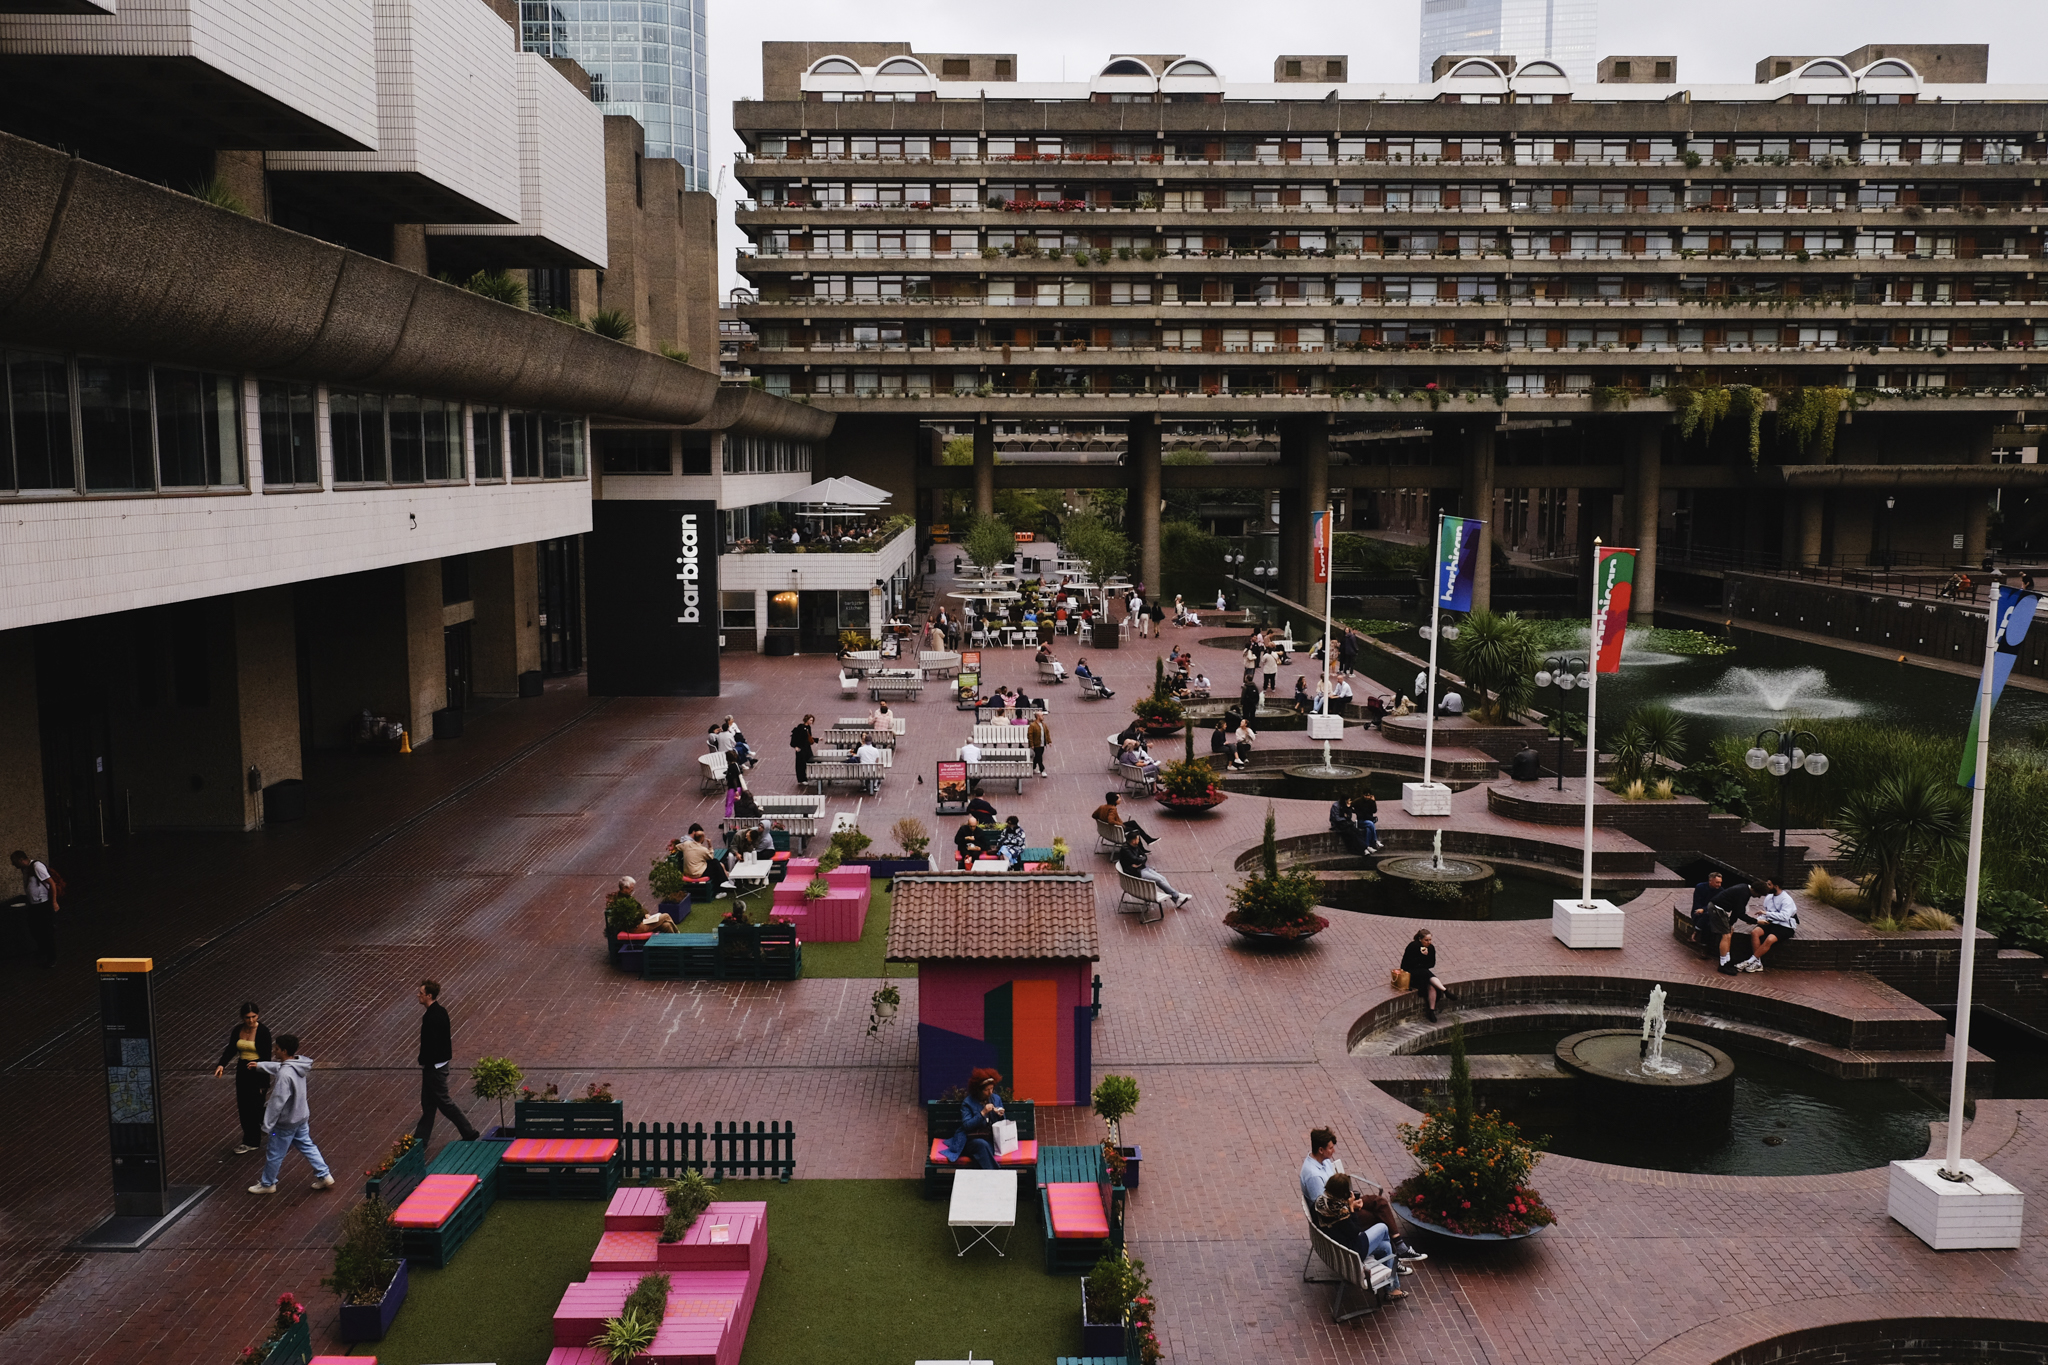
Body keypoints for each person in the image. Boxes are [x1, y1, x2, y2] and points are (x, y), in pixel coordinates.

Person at [1301, 1127, 1426, 1264]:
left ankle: (1399, 1246)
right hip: (1339, 1215)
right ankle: (1392, 1259)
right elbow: (1325, 1208)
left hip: (1344, 1201)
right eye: (1330, 1148)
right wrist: (1350, 1206)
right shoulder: (1314, 1176)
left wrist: (1352, 1201)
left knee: (1379, 1202)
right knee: (1375, 1218)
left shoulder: (1324, 1161)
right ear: (1321, 1150)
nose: (1333, 1151)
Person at [249, 1034, 335, 1195]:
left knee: (275, 1153)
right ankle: (324, 1175)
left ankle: (268, 1183)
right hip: (301, 1116)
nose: (274, 1051)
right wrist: (260, 1065)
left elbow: (277, 1102)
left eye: (277, 1049)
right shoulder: (298, 1064)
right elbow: (280, 1067)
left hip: (285, 1123)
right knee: (307, 1145)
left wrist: (267, 1125)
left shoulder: (284, 1075)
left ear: (284, 1050)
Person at [1310, 1173, 1409, 1298]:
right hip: (1351, 1253)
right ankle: (1394, 1268)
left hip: (1336, 1248)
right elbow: (1355, 1231)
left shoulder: (1319, 1203)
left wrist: (1346, 1205)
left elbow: (1337, 1221)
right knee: (1383, 1228)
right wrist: (1351, 1208)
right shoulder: (1342, 1212)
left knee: (1385, 1246)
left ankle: (1392, 1288)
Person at [412, 979, 481, 1144]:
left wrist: (424, 1060)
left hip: (434, 1067)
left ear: (429, 995)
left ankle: (468, 1131)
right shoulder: (440, 1011)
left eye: (421, 993)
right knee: (428, 1103)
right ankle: (420, 1138)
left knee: (443, 1102)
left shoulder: (432, 1017)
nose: (418, 995)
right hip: (436, 1064)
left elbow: (432, 1044)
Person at [212, 1001, 274, 1155]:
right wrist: (222, 1065)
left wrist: (264, 1082)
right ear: (242, 1018)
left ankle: (268, 1128)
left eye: (254, 1017)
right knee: (244, 1106)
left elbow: (266, 1057)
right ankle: (250, 1140)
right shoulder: (238, 1030)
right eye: (247, 1017)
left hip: (257, 1070)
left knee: (256, 1106)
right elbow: (231, 1048)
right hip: (243, 1070)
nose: (251, 1020)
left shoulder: (263, 1032)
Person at [938, 1068, 1008, 1170]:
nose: (990, 1092)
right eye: (986, 1090)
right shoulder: (968, 1103)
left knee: (982, 1153)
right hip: (970, 1140)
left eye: (992, 1088)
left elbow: (1002, 1123)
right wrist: (983, 1113)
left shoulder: (996, 1099)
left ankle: (983, 1181)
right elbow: (967, 1125)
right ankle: (997, 1175)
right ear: (978, 1090)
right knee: (981, 1146)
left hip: (990, 1140)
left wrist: (1000, 1115)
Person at [1736, 878, 1798, 973]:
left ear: (1776, 886)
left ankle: (1749, 961)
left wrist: (1767, 914)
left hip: (1785, 926)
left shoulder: (1786, 899)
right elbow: (1765, 913)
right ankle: (1758, 963)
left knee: (1769, 939)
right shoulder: (1769, 897)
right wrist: (1756, 920)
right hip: (1772, 922)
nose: (1766, 886)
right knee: (1755, 932)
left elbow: (1785, 917)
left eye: (1769, 884)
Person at [10, 849, 58, 967]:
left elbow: (51, 883)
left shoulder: (36, 866)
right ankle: (42, 949)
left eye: (15, 862)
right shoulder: (25, 869)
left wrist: (54, 901)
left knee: (46, 931)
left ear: (21, 860)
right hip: (34, 903)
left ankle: (51, 957)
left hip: (42, 903)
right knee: (34, 928)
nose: (13, 865)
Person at [1118, 831, 1191, 906]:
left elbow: (1144, 856)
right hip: (1136, 872)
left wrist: (1140, 861)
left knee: (1162, 878)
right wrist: (1140, 860)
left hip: (1141, 868)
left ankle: (1177, 899)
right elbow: (1136, 859)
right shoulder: (1125, 849)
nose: (1139, 840)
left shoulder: (1135, 846)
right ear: (1133, 841)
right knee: (1158, 880)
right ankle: (1177, 896)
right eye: (1138, 839)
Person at [1707, 880, 1761, 974]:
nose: (1759, 897)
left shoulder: (1744, 888)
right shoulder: (1744, 893)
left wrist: (1731, 923)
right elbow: (1740, 913)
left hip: (1719, 908)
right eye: (1759, 894)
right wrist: (1755, 921)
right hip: (1717, 909)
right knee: (1726, 935)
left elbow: (1736, 910)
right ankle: (1723, 964)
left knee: (1730, 931)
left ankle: (1727, 961)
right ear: (1755, 890)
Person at [1401, 929, 1451, 1022]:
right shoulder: (1413, 946)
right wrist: (1422, 956)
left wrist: (1426, 956)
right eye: (1426, 940)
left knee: (1431, 986)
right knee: (1426, 973)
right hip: (1411, 971)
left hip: (1423, 972)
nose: (1429, 942)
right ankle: (1445, 990)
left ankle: (1431, 1011)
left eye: (1430, 940)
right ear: (1420, 939)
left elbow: (1431, 964)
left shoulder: (1430, 948)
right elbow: (1406, 964)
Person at [1093, 792, 1158, 844]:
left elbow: (1094, 815)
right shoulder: (1112, 808)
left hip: (1110, 829)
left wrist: (1103, 820)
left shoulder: (1102, 807)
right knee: (1136, 831)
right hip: (1116, 830)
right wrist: (1120, 824)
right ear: (1114, 800)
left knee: (1133, 822)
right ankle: (1141, 849)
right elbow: (1111, 821)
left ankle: (1148, 839)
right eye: (1118, 798)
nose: (1120, 799)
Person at [790, 715, 816, 786]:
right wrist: (795, 746)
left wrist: (816, 739)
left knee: (810, 760)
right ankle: (802, 779)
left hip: (807, 748)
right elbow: (795, 736)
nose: (812, 722)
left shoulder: (808, 727)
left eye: (812, 720)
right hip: (801, 748)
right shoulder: (800, 727)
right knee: (801, 763)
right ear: (806, 720)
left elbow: (809, 737)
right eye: (810, 720)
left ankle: (807, 776)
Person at [1027, 712, 1051, 776]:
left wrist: (1049, 741)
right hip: (1036, 744)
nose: (1043, 717)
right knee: (1039, 757)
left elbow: (1047, 733)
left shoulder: (1044, 725)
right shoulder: (1033, 725)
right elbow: (1030, 735)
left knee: (1037, 757)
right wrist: (1031, 744)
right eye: (1042, 716)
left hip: (1042, 744)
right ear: (1038, 716)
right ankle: (1042, 770)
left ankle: (1033, 767)